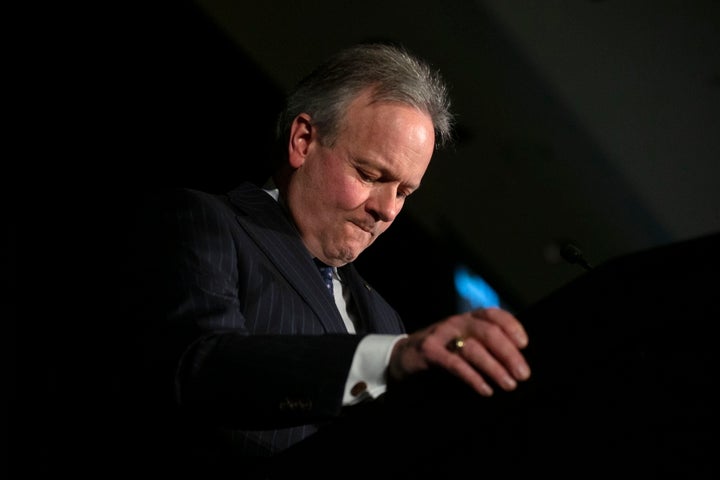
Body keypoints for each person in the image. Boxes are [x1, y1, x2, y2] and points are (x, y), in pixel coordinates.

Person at [98, 42, 532, 478]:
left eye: (404, 192)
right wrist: (389, 360)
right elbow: (203, 367)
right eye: (370, 175)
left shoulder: (386, 318)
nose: (387, 209)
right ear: (303, 141)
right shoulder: (206, 222)